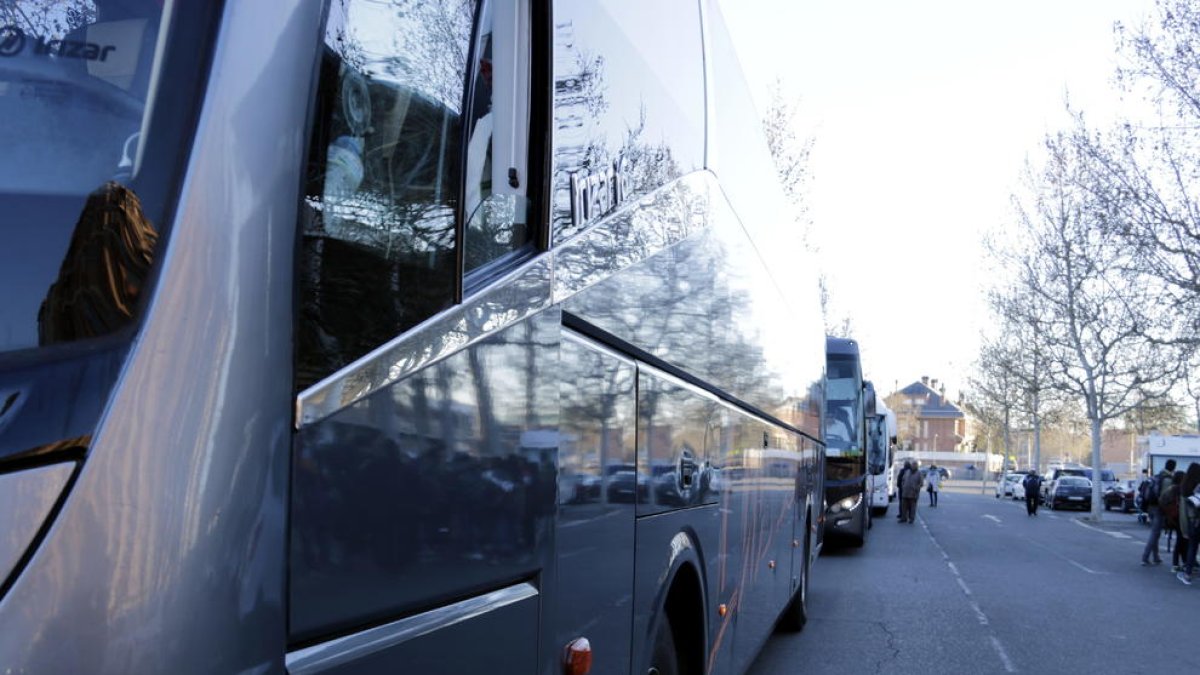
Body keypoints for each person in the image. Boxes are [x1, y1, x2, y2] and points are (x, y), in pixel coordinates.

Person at [1141, 459, 1176, 566]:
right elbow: (1166, 497)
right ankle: (1145, 557)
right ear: (1174, 467)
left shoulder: (1158, 476)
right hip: (1159, 509)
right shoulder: (1168, 480)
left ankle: (1156, 557)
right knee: (1155, 533)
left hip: (1150, 507)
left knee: (1155, 533)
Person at [1180, 463, 1200, 585]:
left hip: (1194, 522)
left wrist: (1184, 529)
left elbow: (1184, 511)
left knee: (1192, 547)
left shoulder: (1185, 487)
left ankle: (1187, 574)